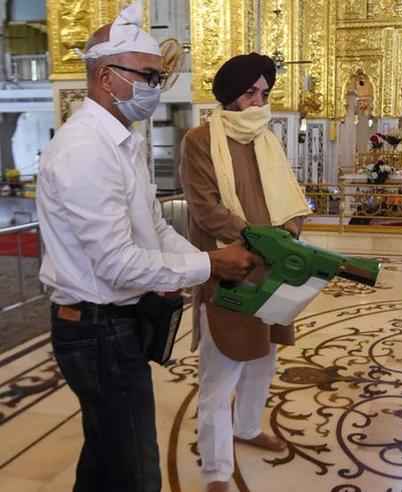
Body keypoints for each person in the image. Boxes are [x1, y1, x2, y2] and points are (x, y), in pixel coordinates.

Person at [36, 4, 259, 491]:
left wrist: (202, 265)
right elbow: (117, 263)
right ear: (106, 76)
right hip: (94, 329)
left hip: (116, 324)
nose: (156, 88)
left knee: (105, 454)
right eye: (148, 76)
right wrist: (208, 263)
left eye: (160, 77)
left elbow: (153, 228)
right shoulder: (84, 150)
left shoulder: (124, 141)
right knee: (136, 470)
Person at [180, 53, 313, 492]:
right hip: (230, 269)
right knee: (221, 373)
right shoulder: (200, 140)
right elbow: (206, 209)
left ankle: (248, 427)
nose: (259, 100)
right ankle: (217, 470)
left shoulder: (266, 140)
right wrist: (260, 239)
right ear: (229, 95)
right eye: (250, 92)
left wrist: (289, 230)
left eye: (264, 92)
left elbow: (288, 196)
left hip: (273, 270)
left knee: (264, 357)